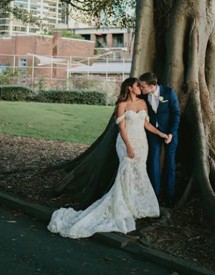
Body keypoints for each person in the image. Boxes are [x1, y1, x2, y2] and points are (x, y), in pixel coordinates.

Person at [47, 77, 169, 239]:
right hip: (126, 143)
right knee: (125, 173)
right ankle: (122, 206)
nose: (140, 87)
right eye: (137, 85)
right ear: (129, 88)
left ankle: (136, 204)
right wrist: (129, 147)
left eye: (141, 85)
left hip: (142, 143)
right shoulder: (122, 105)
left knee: (139, 172)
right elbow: (122, 129)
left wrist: (161, 134)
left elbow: (146, 125)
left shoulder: (143, 103)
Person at [139, 72, 180, 208]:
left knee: (170, 163)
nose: (140, 88)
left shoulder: (169, 93)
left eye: (143, 86)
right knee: (153, 161)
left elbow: (176, 114)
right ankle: (154, 196)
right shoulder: (143, 96)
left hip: (169, 133)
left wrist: (171, 134)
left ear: (152, 86)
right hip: (153, 133)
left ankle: (169, 197)